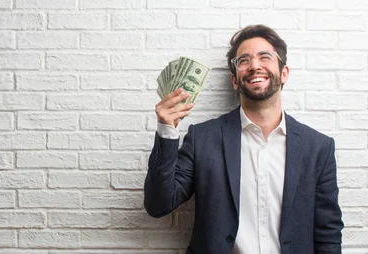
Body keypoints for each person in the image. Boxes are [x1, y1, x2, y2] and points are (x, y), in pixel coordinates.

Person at [144, 24, 344, 254]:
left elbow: (328, 233)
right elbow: (158, 205)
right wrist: (166, 130)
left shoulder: (318, 148)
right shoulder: (203, 139)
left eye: (264, 57)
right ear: (235, 80)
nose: (255, 66)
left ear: (284, 73)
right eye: (244, 60)